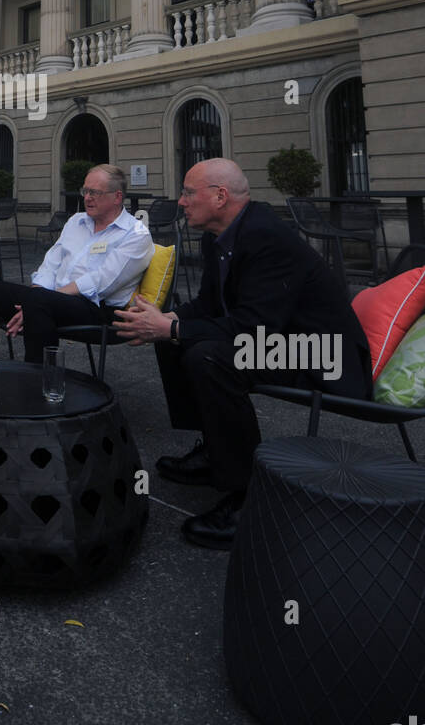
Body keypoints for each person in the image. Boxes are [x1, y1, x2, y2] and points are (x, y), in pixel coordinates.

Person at [112, 158, 372, 550]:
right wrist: (166, 320)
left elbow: (255, 328)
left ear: (220, 196)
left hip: (319, 353)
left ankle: (246, 496)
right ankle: (214, 453)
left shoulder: (266, 237)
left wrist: (175, 327)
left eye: (188, 192)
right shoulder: (218, 235)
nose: (181, 201)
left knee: (209, 357)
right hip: (277, 341)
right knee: (173, 338)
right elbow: (209, 305)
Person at [0, 164, 153, 364]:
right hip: (49, 299)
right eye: (85, 190)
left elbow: (102, 281)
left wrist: (37, 299)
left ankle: (39, 385)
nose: (87, 197)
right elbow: (51, 262)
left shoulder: (136, 234)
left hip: (99, 309)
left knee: (39, 301)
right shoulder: (76, 221)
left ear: (117, 197)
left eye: (95, 192)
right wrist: (34, 295)